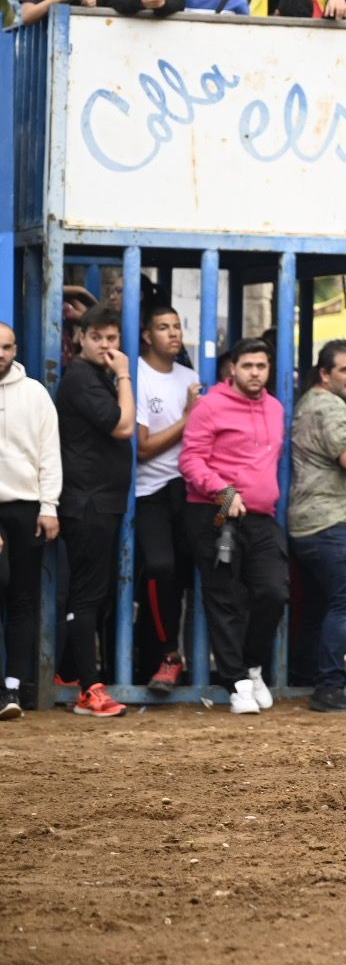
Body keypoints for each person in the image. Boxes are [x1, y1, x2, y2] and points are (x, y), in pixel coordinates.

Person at [181, 338, 288, 716]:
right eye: (248, 366)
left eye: (262, 366)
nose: (255, 373)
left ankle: (253, 666)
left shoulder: (276, 408)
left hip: (261, 515)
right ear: (233, 369)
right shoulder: (210, 406)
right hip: (216, 513)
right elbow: (191, 461)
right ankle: (237, 682)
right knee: (224, 597)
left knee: (273, 592)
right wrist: (224, 494)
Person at [55, 305, 135, 719]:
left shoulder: (95, 376)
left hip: (102, 501)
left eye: (113, 339)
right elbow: (123, 426)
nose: (107, 346)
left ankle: (69, 671)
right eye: (98, 338)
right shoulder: (83, 378)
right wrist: (124, 373)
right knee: (87, 597)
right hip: (87, 502)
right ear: (80, 339)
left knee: (96, 594)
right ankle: (88, 690)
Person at [287, 341, 346, 713]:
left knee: (319, 605)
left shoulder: (307, 401)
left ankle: (304, 673)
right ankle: (329, 687)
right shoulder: (331, 407)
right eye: (345, 370)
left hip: (305, 522)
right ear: (325, 374)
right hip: (327, 522)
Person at [134, 303, 201, 693]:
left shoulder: (190, 376)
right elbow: (142, 448)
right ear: (147, 335)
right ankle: (166, 654)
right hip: (150, 491)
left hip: (190, 490)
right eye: (163, 327)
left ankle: (186, 662)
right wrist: (187, 419)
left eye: (177, 326)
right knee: (159, 568)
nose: (173, 334)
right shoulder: (140, 376)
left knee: (199, 572)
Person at [0, 322, 60, 719]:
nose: (0, 354)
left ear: (16, 349)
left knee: (22, 598)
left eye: (6, 347)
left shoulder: (35, 393)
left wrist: (49, 506)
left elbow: (48, 452)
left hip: (25, 507)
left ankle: (12, 689)